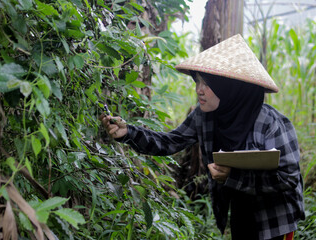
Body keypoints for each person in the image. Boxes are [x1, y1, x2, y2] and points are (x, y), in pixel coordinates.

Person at [99, 34, 305, 240]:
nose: (199, 90)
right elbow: (170, 142)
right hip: (240, 208)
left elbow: (288, 177)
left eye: (207, 84)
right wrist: (128, 133)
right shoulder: (204, 116)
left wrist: (232, 177)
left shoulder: (271, 123)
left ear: (229, 87)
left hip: (274, 216)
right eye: (197, 81)